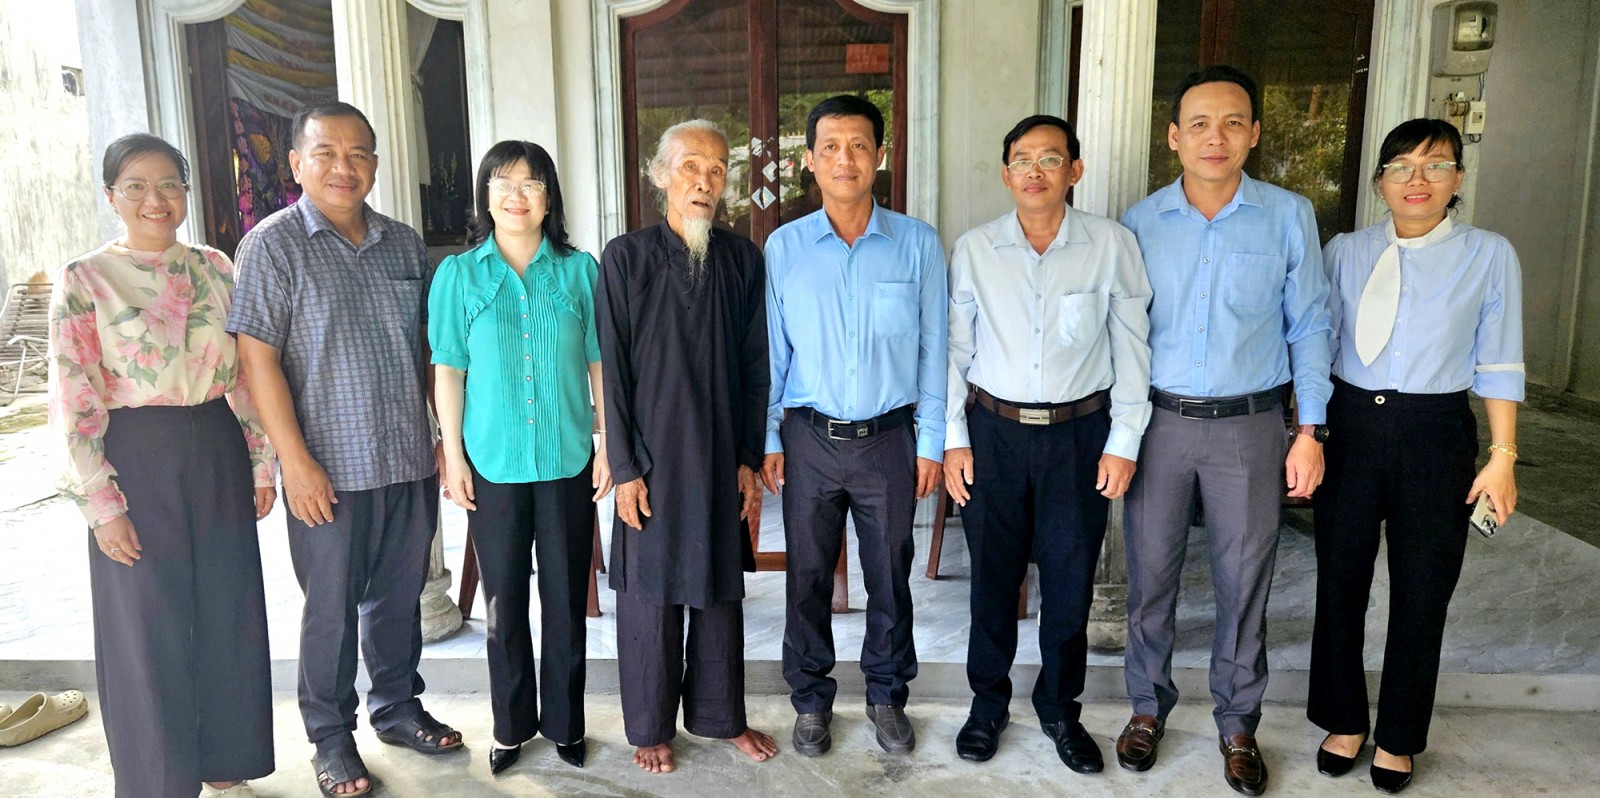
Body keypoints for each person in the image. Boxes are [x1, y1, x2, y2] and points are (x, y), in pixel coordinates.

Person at [229, 101, 460, 798]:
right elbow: (258, 359)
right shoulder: (272, 245)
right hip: (326, 468)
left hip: (406, 456)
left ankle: (397, 708)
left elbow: (425, 352)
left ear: (376, 165)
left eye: (358, 153)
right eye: (325, 152)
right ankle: (330, 737)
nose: (343, 166)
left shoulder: (403, 244)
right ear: (296, 163)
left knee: (400, 597)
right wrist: (293, 462)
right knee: (329, 609)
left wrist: (442, 437)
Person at [1117, 65, 1333, 796]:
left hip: (1250, 426)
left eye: (1233, 122)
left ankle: (1238, 721)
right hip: (1159, 425)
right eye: (1200, 124)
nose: (1217, 137)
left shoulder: (1288, 216)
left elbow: (1310, 325)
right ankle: (1147, 708)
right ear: (1173, 137)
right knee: (1150, 576)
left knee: (1245, 581)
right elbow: (1124, 333)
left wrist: (1310, 430)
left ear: (1255, 134)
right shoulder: (1139, 223)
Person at [48, 133, 275, 797]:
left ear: (186, 192)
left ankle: (227, 757)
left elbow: (246, 374)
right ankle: (159, 777)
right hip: (135, 454)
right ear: (111, 196)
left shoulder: (216, 267)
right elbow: (73, 393)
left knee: (227, 606)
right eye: (137, 186)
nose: (156, 199)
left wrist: (260, 462)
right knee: (147, 617)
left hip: (216, 443)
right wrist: (100, 504)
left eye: (170, 184)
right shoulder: (85, 278)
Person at [1308, 119, 1522, 796]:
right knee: (1339, 578)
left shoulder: (1489, 255)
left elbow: (1499, 360)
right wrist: (1308, 431)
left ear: (1458, 178)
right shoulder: (1345, 251)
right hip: (1350, 425)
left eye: (1435, 165)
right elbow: (1317, 343)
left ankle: (1398, 734)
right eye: (1401, 166)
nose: (1417, 180)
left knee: (1424, 587)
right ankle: (1343, 719)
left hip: (1436, 431)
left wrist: (1503, 455)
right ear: (1380, 182)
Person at [943, 115, 1152, 772]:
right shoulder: (976, 249)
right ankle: (988, 703)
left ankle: (1061, 708)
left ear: (1075, 170)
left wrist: (1124, 440)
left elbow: (1132, 348)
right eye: (1023, 160)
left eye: (1051, 158)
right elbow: (954, 352)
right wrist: (953, 439)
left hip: (1080, 435)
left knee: (1069, 583)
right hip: (993, 435)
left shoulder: (1111, 244)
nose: (1036, 171)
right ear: (1006, 174)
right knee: (992, 579)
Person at [762, 94, 948, 757]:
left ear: (880, 156)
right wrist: (768, 437)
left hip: (890, 439)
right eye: (831, 147)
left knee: (890, 575)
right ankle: (811, 701)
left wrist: (932, 442)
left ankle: (886, 695)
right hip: (808, 438)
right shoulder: (784, 248)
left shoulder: (918, 244)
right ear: (810, 162)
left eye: (860, 146)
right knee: (807, 577)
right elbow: (773, 353)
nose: (846, 159)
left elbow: (934, 350)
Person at [597, 119, 779, 774]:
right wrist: (624, 467)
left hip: (721, 454)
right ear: (661, 176)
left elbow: (757, 368)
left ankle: (721, 717)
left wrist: (749, 459)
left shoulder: (742, 260)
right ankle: (650, 727)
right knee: (649, 594)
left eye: (717, 170)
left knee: (718, 590)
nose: (704, 181)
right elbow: (612, 372)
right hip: (651, 458)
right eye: (689, 167)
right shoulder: (626, 258)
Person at [429, 140, 609, 774]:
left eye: (531, 184)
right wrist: (453, 456)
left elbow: (600, 363)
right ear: (485, 195)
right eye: (502, 182)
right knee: (503, 604)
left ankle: (565, 724)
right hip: (492, 465)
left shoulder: (580, 271)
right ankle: (510, 727)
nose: (516, 195)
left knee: (566, 600)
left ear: (549, 198)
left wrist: (609, 442)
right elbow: (448, 370)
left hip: (567, 460)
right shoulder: (459, 276)